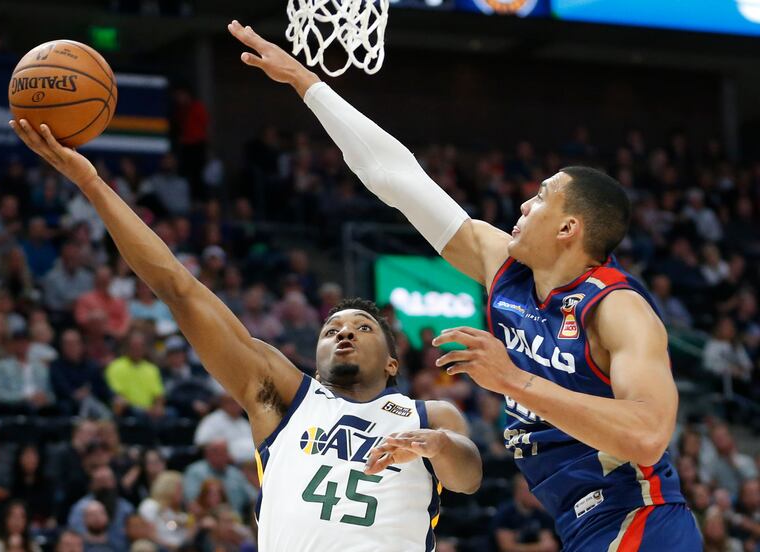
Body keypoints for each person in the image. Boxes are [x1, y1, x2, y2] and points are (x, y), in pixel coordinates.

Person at [224, 20, 698, 551]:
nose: (525, 204)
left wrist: (513, 380)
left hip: (639, 518)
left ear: (568, 229)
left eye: (542, 197)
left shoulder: (617, 308)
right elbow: (396, 178)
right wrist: (306, 83)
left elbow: (648, 435)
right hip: (579, 524)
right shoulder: (505, 268)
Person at [9, 113, 482, 551]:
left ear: (393, 362)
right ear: (316, 356)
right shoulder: (284, 396)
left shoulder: (428, 415)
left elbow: (468, 477)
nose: (344, 334)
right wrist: (91, 184)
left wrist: (439, 445)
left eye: (363, 328)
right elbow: (178, 288)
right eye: (331, 329)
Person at [492, 475, 558, 552]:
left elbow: (550, 546)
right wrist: (539, 547)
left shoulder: (540, 513)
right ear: (518, 492)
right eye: (530, 491)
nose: (535, 495)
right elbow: (507, 548)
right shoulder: (504, 514)